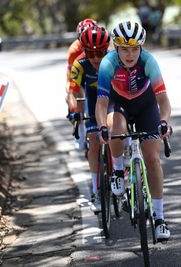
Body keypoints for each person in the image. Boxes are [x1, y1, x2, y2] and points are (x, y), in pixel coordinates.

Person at [95, 21, 172, 241]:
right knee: (115, 127)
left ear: (141, 47)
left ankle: (159, 219)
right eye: (125, 49)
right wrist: (101, 127)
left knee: (152, 158)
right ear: (116, 48)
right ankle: (118, 171)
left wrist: (164, 122)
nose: (130, 54)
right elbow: (101, 104)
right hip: (118, 104)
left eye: (135, 49)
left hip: (146, 105)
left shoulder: (149, 62)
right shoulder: (108, 63)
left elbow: (164, 102)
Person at [67, 25, 110, 213]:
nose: (96, 58)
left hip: (112, 100)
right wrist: (75, 109)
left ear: (106, 49)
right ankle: (95, 189)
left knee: (118, 131)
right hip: (93, 100)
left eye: (100, 52)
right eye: (90, 53)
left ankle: (120, 163)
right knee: (93, 143)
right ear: (84, 50)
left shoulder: (113, 60)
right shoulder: (79, 63)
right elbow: (72, 91)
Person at [65, 18, 97, 149]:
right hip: (79, 74)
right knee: (77, 97)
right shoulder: (74, 50)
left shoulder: (103, 44)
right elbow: (73, 80)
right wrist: (74, 108)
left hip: (95, 72)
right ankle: (81, 128)